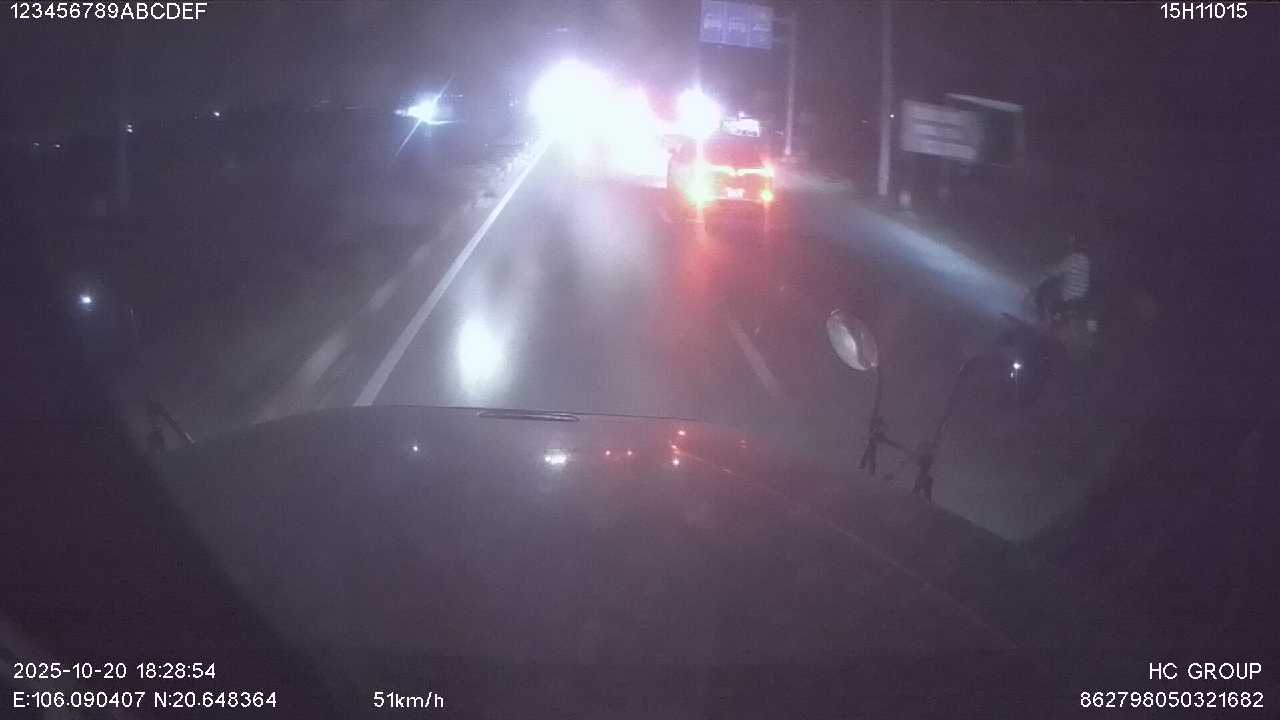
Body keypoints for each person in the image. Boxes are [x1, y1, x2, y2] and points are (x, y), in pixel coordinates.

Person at [1035, 233, 1091, 323]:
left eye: (1072, 243)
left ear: (1075, 245)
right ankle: (1052, 320)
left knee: (1044, 293)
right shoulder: (1086, 261)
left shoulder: (1073, 259)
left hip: (1068, 297)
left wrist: (1045, 269)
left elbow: (1056, 271)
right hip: (1080, 298)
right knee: (1057, 287)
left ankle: (1043, 321)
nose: (1070, 246)